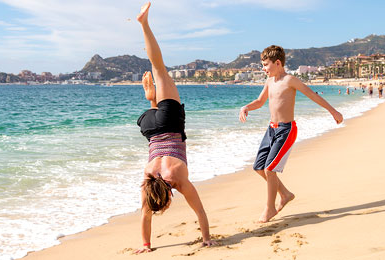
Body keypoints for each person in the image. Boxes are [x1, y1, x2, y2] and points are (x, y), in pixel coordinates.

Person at [133, 2, 215, 253]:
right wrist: (145, 244)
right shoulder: (147, 182)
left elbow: (199, 210)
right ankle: (151, 98)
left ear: (167, 197)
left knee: (159, 67)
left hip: (168, 123)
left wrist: (207, 239)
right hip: (149, 127)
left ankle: (144, 24)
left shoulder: (178, 179)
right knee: (158, 93)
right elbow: (145, 216)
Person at [238, 45, 343, 223]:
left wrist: (334, 112)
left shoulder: (290, 80)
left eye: (266, 64)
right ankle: (285, 194)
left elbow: (313, 95)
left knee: (270, 169)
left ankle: (270, 208)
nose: (263, 68)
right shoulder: (269, 81)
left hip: (286, 130)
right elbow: (260, 101)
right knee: (258, 167)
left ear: (277, 63)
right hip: (271, 129)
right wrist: (246, 107)